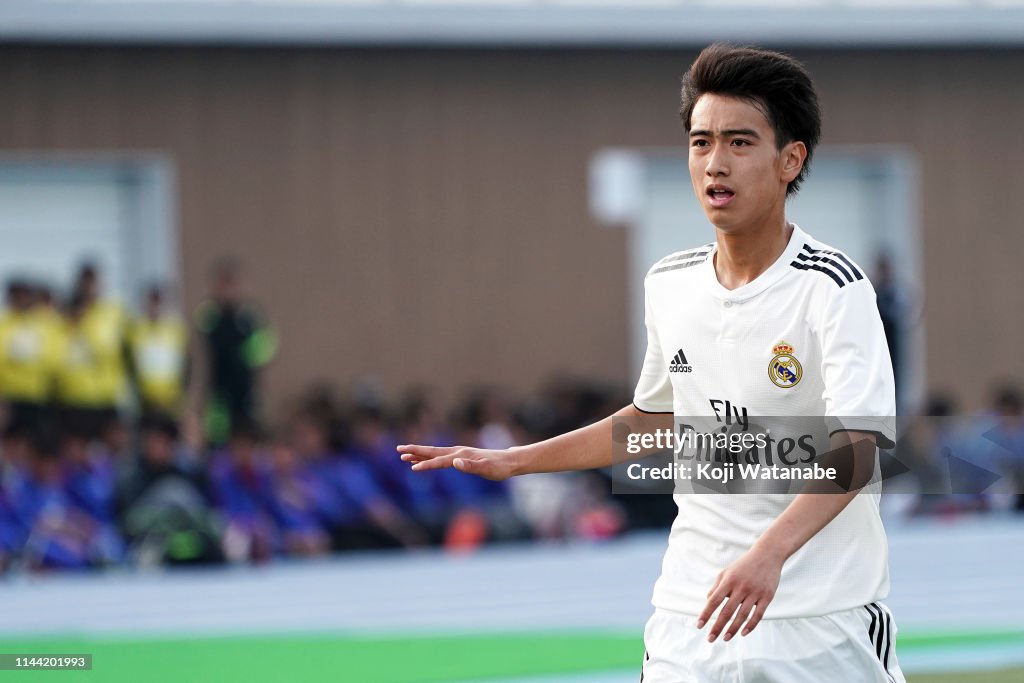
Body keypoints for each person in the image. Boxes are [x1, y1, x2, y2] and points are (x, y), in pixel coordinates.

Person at [398, 43, 904, 682]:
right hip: (689, 616)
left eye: (740, 143)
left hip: (817, 616)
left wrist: (766, 556)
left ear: (790, 159)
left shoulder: (834, 287)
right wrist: (516, 460)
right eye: (701, 142)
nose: (715, 163)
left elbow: (859, 449)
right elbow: (656, 420)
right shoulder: (669, 282)